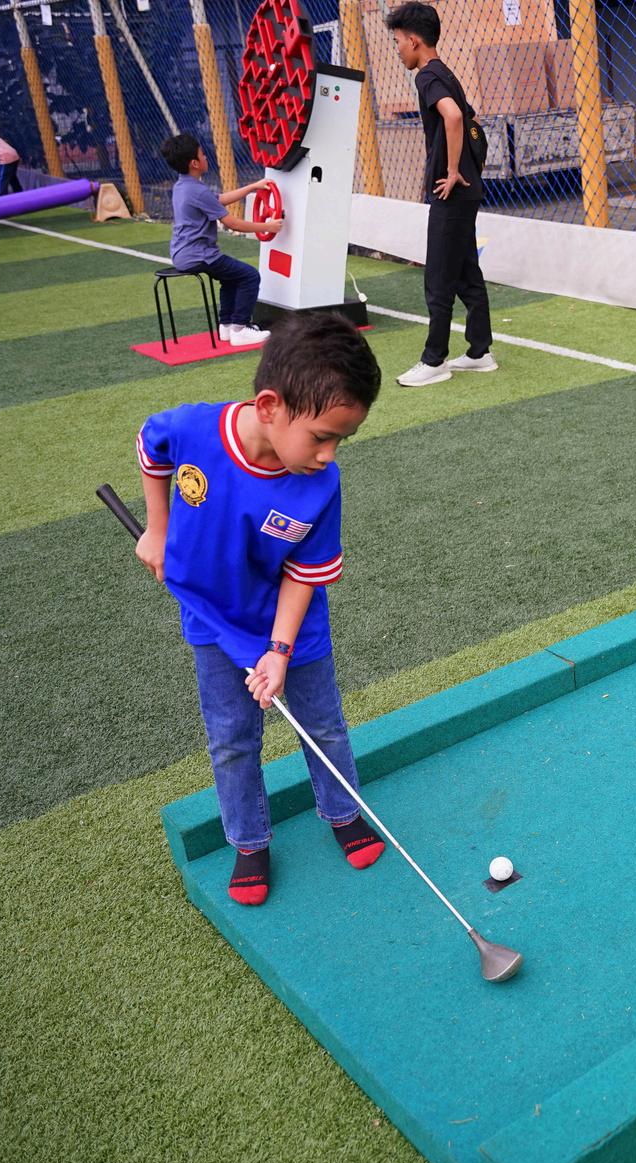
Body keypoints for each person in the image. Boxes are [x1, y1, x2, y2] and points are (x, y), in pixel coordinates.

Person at [133, 314, 385, 905]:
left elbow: (304, 573)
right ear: (270, 406)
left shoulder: (320, 484)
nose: (327, 454)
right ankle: (249, 840)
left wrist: (278, 650)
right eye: (321, 436)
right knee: (231, 739)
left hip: (294, 629)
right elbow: (151, 445)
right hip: (213, 620)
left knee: (323, 726)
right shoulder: (195, 430)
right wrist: (157, 527)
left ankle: (343, 811)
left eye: (341, 440)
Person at [385, 2, 497, 387]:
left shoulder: (427, 77)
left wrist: (451, 171)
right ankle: (480, 352)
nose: (398, 49)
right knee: (465, 270)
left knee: (438, 277)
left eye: (399, 42)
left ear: (415, 41)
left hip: (451, 192)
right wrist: (468, 167)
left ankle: (434, 360)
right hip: (468, 190)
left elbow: (454, 116)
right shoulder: (446, 72)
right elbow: (471, 118)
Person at [159, 132, 282, 347]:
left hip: (181, 254)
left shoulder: (182, 185)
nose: (206, 157)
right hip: (199, 255)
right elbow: (232, 224)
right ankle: (240, 329)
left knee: (230, 277)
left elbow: (218, 200)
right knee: (250, 276)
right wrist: (267, 227)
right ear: (194, 163)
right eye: (203, 154)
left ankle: (226, 326)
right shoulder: (197, 190)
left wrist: (252, 187)